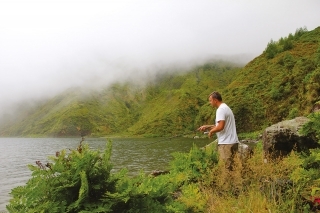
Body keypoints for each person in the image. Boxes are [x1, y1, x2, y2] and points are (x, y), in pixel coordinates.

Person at [198, 91, 239, 170]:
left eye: (210, 100)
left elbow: (220, 127)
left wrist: (211, 131)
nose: (210, 103)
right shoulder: (226, 107)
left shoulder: (220, 110)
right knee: (233, 168)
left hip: (226, 144)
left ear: (215, 100)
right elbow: (220, 125)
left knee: (225, 169)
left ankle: (227, 182)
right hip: (233, 142)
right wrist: (207, 127)